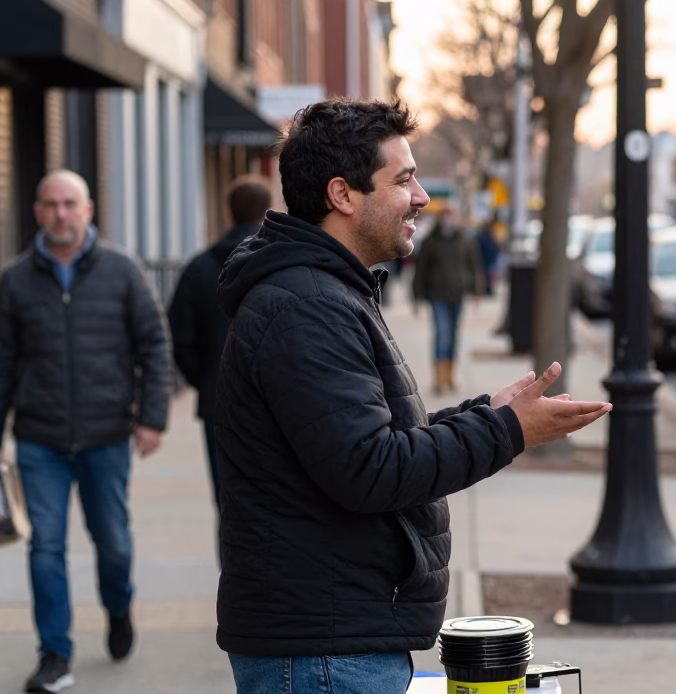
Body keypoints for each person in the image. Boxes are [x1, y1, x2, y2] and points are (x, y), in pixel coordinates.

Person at [213, 98, 611, 694]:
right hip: (323, 652)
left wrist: (492, 416)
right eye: (403, 180)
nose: (422, 196)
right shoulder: (308, 305)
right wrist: (508, 431)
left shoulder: (324, 293)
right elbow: (370, 469)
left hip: (335, 638)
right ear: (343, 195)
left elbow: (371, 441)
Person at [0, 170, 171, 693]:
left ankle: (118, 607)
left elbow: (154, 346)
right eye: (50, 204)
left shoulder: (122, 270)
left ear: (88, 210)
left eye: (70, 204)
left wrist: (151, 418)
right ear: (38, 211)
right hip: (40, 440)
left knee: (112, 543)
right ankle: (54, 655)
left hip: (107, 435)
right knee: (44, 547)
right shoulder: (15, 279)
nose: (60, 213)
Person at [168, 175, 271, 514]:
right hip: (276, 398)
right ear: (266, 213)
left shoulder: (199, 267)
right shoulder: (282, 262)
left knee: (228, 503)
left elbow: (179, 335)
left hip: (218, 399)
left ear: (229, 214)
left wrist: (206, 378)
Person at [411, 205, 483, 395]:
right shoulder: (430, 242)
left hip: (458, 295)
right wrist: (417, 297)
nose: (449, 219)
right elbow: (420, 271)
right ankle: (439, 379)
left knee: (453, 335)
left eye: (451, 215)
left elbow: (473, 266)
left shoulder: (464, 240)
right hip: (437, 295)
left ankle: (450, 376)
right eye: (445, 215)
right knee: (442, 335)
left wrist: (476, 291)